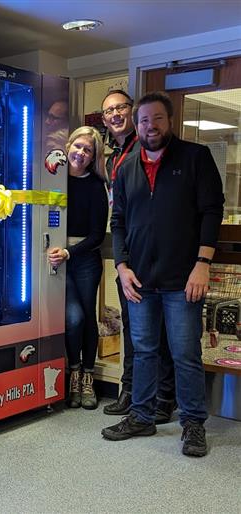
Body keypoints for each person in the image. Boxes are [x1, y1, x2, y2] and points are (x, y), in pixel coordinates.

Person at [101, 92, 224, 457]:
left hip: (183, 278)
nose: (149, 126)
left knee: (185, 353)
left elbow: (211, 212)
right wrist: (122, 267)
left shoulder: (195, 158)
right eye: (144, 121)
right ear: (136, 125)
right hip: (139, 280)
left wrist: (203, 264)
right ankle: (141, 416)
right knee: (144, 350)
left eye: (156, 119)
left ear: (170, 121)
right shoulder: (126, 169)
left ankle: (193, 424)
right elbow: (119, 222)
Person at [101, 90, 177, 423]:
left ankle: (163, 397)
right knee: (134, 330)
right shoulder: (110, 156)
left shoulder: (148, 148)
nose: (115, 115)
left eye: (120, 108)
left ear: (132, 113)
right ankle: (131, 392)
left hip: (156, 258)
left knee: (158, 334)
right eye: (108, 112)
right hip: (127, 256)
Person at [48, 126, 108, 410]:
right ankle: (73, 371)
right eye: (78, 146)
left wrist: (69, 252)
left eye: (88, 150)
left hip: (83, 260)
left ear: (93, 156)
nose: (81, 153)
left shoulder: (97, 186)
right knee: (73, 319)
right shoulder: (53, 179)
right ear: (68, 145)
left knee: (87, 318)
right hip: (57, 258)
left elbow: (98, 235)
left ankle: (87, 378)